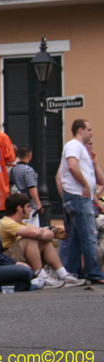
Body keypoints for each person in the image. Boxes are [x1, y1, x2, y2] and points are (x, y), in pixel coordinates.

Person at [0, 192, 85, 288]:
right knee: (31, 238)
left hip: (16, 257)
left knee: (44, 241)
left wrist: (44, 233)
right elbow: (37, 233)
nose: (31, 209)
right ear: (19, 208)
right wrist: (44, 233)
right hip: (5, 260)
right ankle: (41, 277)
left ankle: (63, 275)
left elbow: (46, 234)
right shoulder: (6, 222)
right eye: (28, 206)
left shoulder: (22, 224)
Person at [58, 119, 104, 283]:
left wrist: (94, 198)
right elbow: (72, 166)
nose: (91, 133)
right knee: (89, 235)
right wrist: (85, 185)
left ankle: (74, 271)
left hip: (81, 196)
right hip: (78, 196)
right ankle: (94, 273)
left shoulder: (80, 148)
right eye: (89, 129)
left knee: (76, 237)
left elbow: (100, 180)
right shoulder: (73, 146)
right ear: (80, 130)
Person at [9, 145, 42, 227]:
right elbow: (31, 188)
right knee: (33, 229)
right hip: (30, 206)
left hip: (18, 205)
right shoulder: (28, 170)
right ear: (30, 155)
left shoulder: (13, 169)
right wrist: (38, 204)